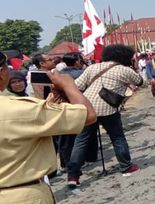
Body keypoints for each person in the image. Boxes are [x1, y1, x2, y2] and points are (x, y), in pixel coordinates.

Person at [0, 51, 97, 204]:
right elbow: (88, 115)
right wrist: (68, 85)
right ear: (1, 73)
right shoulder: (20, 109)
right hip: (21, 194)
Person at [67, 45, 143, 188]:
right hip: (108, 109)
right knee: (117, 138)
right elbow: (140, 81)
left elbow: (77, 85)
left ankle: (73, 176)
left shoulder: (92, 68)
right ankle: (126, 166)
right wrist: (133, 67)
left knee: (81, 141)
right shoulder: (124, 70)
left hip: (87, 108)